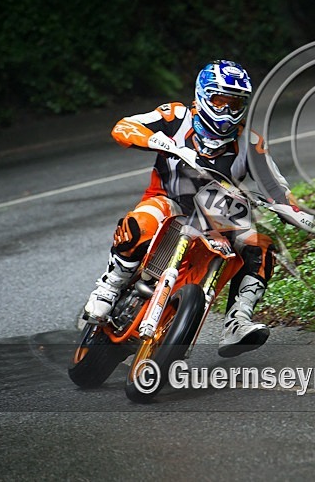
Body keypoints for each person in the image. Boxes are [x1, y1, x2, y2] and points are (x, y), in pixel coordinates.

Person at [82, 59, 296, 357]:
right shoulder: (176, 115)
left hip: (218, 213)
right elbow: (124, 127)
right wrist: (160, 141)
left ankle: (238, 321)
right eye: (219, 100)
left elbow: (277, 186)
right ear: (202, 95)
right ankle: (110, 286)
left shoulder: (251, 142)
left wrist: (294, 210)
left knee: (260, 245)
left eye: (235, 103)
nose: (226, 110)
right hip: (168, 199)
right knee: (141, 223)